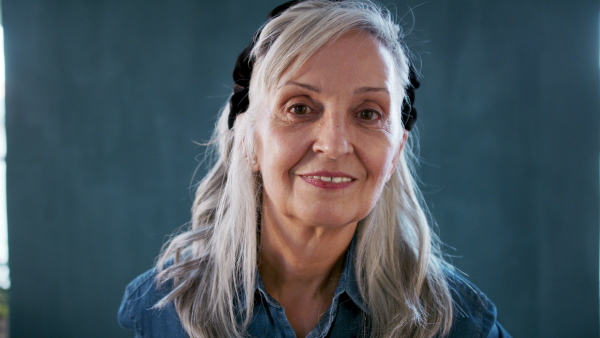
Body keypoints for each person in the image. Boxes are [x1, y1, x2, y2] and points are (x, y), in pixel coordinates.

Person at [118, 1, 511, 337]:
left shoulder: (455, 321)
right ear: (249, 139)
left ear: (395, 153)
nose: (335, 144)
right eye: (300, 108)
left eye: (368, 113)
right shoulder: (162, 308)